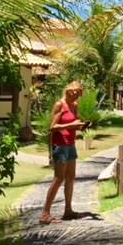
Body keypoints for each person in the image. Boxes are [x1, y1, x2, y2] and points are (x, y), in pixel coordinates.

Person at [39, 81, 86, 224]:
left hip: (70, 144)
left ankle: (68, 210)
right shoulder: (60, 105)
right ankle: (45, 214)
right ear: (69, 91)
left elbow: (74, 123)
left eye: (79, 95)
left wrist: (81, 126)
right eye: (75, 94)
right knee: (59, 178)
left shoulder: (74, 105)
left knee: (70, 177)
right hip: (60, 145)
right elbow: (53, 127)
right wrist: (71, 125)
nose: (77, 97)